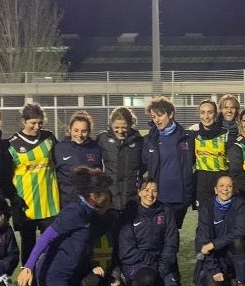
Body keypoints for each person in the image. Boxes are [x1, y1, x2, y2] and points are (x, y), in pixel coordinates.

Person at [15, 167, 117, 286]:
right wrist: (28, 266)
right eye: (105, 192)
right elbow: (46, 237)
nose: (108, 196)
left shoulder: (89, 211)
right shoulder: (74, 213)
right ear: (93, 195)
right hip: (53, 277)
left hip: (73, 274)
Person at [8, 103, 60, 265]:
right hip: (26, 205)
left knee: (51, 245)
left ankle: (47, 279)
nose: (37, 126)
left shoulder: (49, 138)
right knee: (28, 246)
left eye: (40, 123)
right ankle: (28, 283)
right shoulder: (12, 144)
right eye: (33, 123)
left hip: (50, 204)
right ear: (24, 121)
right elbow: (7, 175)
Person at [118, 178, 181, 286]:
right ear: (139, 192)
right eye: (146, 190)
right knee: (147, 278)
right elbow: (126, 250)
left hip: (161, 262)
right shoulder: (129, 213)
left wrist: (163, 265)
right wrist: (151, 261)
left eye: (154, 191)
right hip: (138, 262)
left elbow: (171, 241)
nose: (150, 195)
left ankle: (153, 282)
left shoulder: (166, 211)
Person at [194, 174, 245, 286]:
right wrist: (214, 269)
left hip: (231, 254)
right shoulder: (207, 207)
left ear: (233, 189)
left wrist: (215, 244)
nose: (225, 189)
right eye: (221, 186)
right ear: (215, 189)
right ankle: (229, 278)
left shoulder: (239, 203)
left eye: (229, 186)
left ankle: (241, 283)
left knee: (239, 242)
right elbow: (203, 244)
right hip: (214, 257)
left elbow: (243, 230)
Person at [141, 96, 194, 228]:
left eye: (160, 115)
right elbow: (141, 166)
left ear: (170, 114)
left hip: (179, 199)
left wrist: (188, 194)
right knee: (157, 235)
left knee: (173, 234)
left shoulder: (187, 138)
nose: (156, 120)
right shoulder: (148, 141)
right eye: (153, 117)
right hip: (157, 198)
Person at [97, 107, 143, 215]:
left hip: (131, 198)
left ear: (131, 124)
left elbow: (143, 165)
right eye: (116, 127)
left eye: (124, 127)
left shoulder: (139, 141)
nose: (120, 131)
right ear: (111, 124)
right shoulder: (102, 139)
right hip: (109, 198)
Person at [53, 110, 103, 205]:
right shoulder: (59, 148)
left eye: (84, 131)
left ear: (89, 131)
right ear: (69, 129)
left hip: (90, 203)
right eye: (76, 130)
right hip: (66, 202)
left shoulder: (96, 148)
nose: (79, 135)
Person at [189, 100, 231, 210]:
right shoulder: (193, 134)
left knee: (223, 215)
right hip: (202, 182)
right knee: (204, 217)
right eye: (203, 112)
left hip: (222, 179)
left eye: (210, 112)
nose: (206, 116)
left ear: (216, 114)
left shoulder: (226, 134)